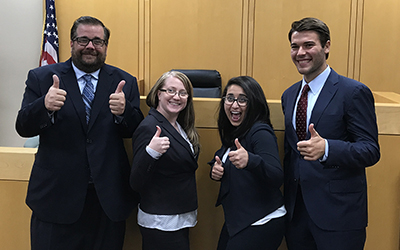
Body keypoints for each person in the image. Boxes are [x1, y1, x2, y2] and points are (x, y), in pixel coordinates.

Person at [15, 16, 143, 250]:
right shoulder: (42, 78)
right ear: (72, 43)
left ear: (105, 45)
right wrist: (44, 105)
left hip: (107, 201)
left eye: (98, 41)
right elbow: (23, 126)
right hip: (56, 199)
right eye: (83, 40)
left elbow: (136, 131)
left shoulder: (125, 82)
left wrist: (124, 112)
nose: (91, 46)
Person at [281, 17, 380, 250]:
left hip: (339, 216)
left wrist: (327, 149)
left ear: (326, 46)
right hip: (297, 215)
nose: (300, 53)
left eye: (308, 45)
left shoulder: (353, 92)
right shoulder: (289, 95)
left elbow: (370, 150)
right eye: (295, 47)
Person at [209, 76, 286, 250]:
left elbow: (276, 175)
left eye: (242, 100)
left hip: (262, 220)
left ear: (254, 103)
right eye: (230, 98)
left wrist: (251, 160)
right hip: (240, 220)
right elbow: (227, 155)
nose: (234, 105)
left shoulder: (260, 132)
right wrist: (216, 169)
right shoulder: (236, 130)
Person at [130, 71, 200, 250]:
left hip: (178, 217)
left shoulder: (178, 125)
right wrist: (150, 153)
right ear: (158, 94)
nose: (177, 97)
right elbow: (136, 181)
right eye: (171, 90)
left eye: (183, 93)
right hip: (161, 221)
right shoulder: (149, 128)